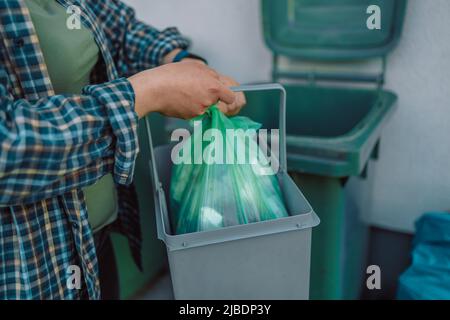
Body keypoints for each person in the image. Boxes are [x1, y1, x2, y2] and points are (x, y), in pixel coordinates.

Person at [0, 0, 245, 300]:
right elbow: (7, 147)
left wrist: (182, 61)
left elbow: (115, 27)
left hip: (92, 242)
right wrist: (145, 94)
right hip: (32, 270)